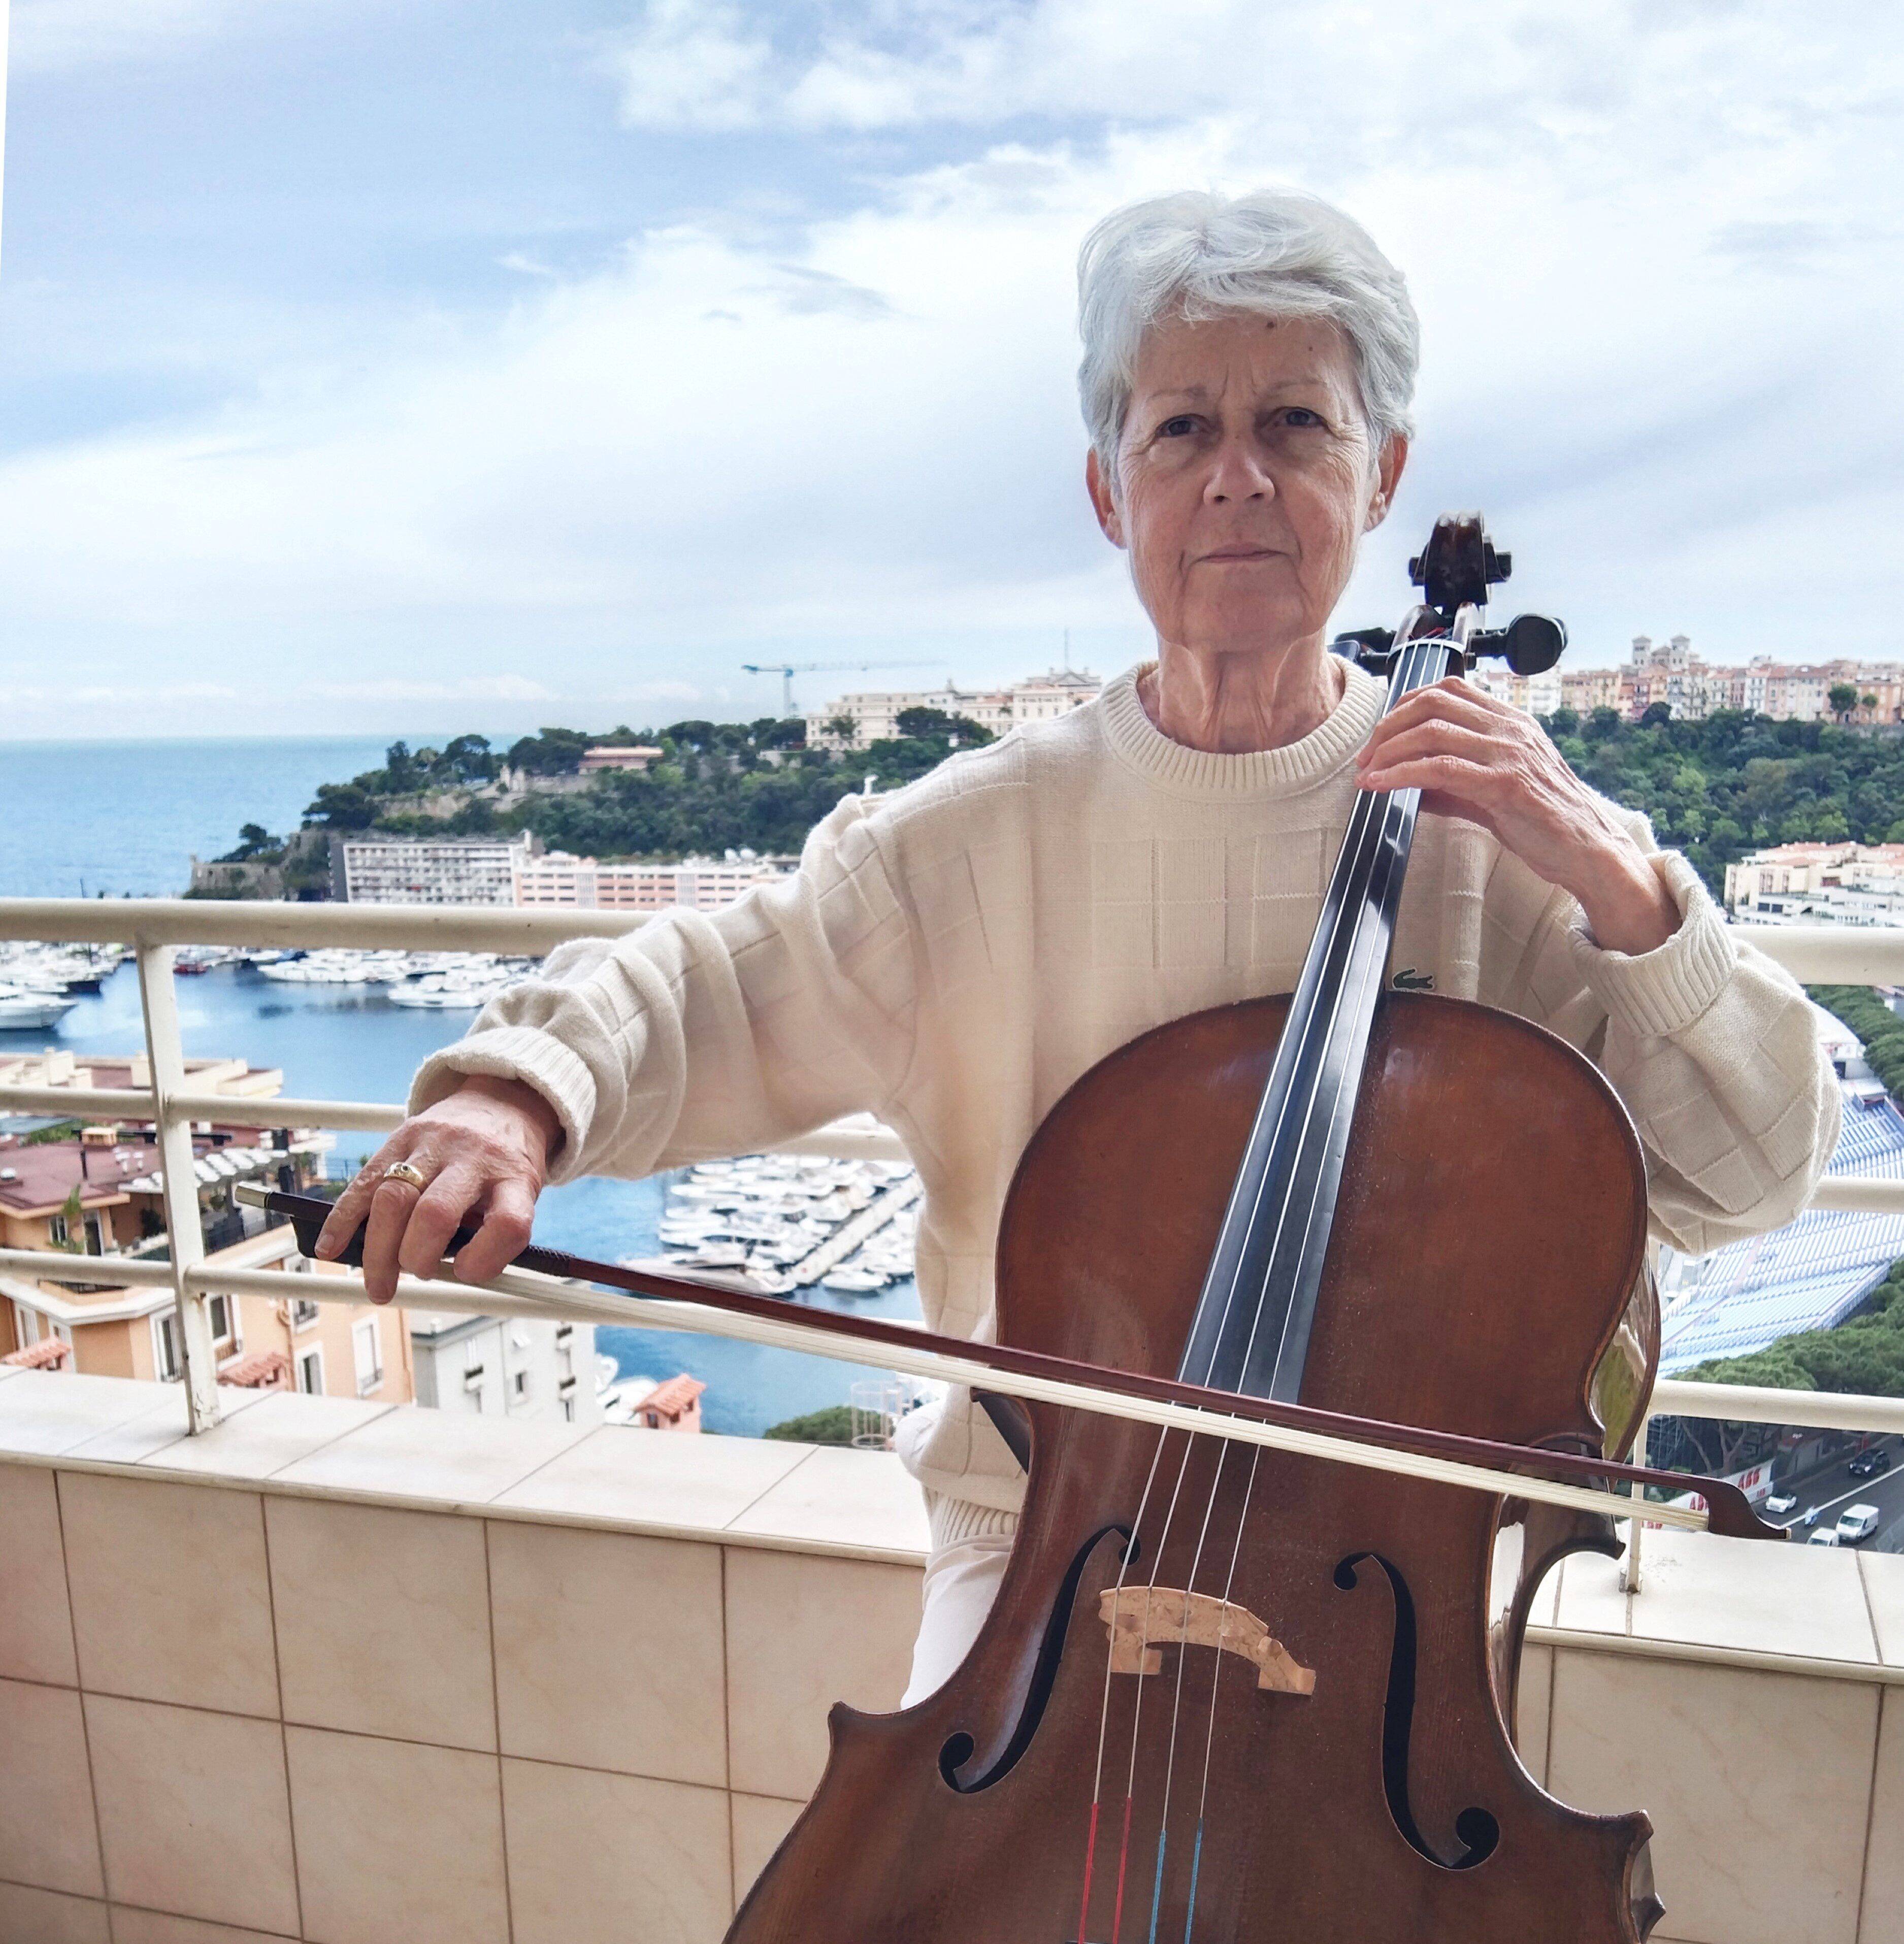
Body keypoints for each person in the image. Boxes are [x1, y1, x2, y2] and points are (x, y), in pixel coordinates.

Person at [320, 187, 1839, 1702]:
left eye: (1296, 425)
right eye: (1181, 430)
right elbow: (717, 980)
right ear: (1112, 491)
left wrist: (1631, 891)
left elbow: (1754, 1173)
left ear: (1382, 475)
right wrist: (512, 1091)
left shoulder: (1500, 832)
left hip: (1386, 1600)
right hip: (1041, 1544)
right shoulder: (978, 835)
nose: (1236, 479)